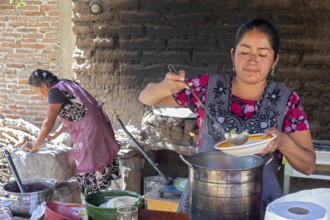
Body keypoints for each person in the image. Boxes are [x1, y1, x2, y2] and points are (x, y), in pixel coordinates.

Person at [139, 18, 316, 212]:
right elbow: (147, 98)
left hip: (258, 204)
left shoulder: (286, 100)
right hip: (202, 201)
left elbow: (308, 166)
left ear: (275, 60)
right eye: (245, 52)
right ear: (233, 55)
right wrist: (164, 87)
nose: (252, 60)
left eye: (262, 54)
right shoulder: (208, 88)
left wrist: (283, 142)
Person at [22, 69, 121, 195]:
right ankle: (102, 201)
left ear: (45, 85)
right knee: (98, 166)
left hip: (89, 131)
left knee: (88, 167)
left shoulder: (54, 92)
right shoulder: (65, 84)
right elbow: (74, 114)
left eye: (37, 90)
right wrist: (55, 135)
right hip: (98, 126)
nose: (38, 94)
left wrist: (35, 145)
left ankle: (92, 205)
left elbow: (48, 123)